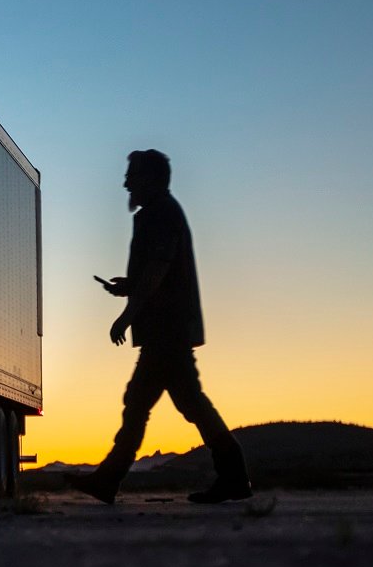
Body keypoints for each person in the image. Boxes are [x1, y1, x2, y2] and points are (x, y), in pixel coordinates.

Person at [68, 149, 252, 504]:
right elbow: (152, 273)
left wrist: (128, 313)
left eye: (132, 176)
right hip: (165, 330)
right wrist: (128, 286)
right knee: (158, 403)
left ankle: (233, 478)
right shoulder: (158, 213)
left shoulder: (161, 213)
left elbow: (158, 269)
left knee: (168, 404)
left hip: (166, 330)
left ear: (150, 179)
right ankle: (111, 478)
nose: (125, 183)